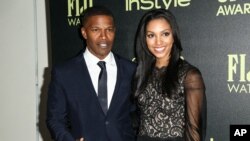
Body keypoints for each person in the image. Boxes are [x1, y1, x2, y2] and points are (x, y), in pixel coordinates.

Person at [46, 6, 136, 141]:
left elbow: (139, 116)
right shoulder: (64, 73)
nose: (104, 36)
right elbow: (55, 119)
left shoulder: (131, 70)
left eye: (109, 30)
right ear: (84, 32)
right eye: (96, 30)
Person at [133, 9, 206, 141]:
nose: (158, 42)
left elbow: (194, 130)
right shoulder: (142, 72)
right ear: (144, 39)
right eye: (151, 35)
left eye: (165, 34)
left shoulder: (189, 75)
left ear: (174, 35)